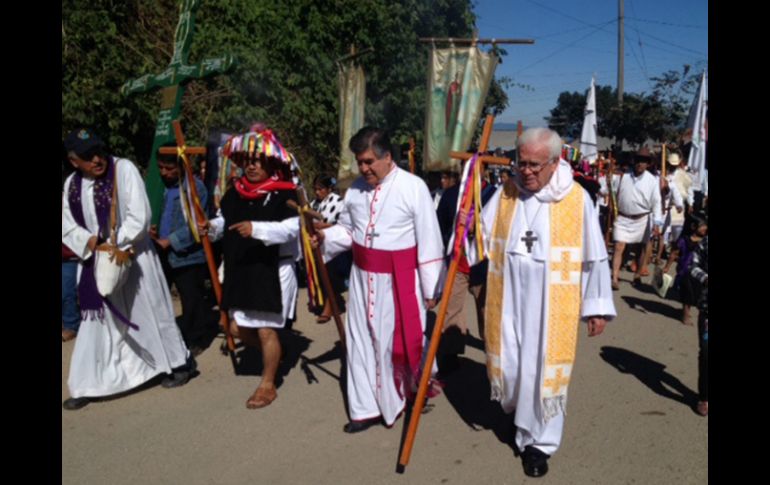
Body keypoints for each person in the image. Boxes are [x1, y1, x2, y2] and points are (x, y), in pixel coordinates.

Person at [469, 127, 616, 477]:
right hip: (508, 296)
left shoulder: (576, 198)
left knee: (543, 371)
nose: (527, 172)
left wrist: (595, 307)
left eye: (535, 165)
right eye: (522, 164)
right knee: (513, 364)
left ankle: (538, 444)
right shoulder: (506, 193)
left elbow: (594, 258)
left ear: (554, 162)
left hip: (551, 303)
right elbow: (480, 237)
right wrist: (466, 223)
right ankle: (518, 418)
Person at [312, 126, 444, 433]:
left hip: (399, 280)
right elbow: (349, 231)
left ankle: (409, 388)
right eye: (360, 162)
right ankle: (365, 408)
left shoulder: (413, 187)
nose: (364, 168)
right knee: (359, 342)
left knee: (395, 343)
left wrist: (430, 288)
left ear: (387, 157)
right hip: (361, 279)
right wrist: (325, 236)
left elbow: (429, 239)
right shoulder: (356, 190)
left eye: (370, 161)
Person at [61, 128, 195, 411]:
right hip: (94, 262)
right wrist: (90, 243)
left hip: (133, 257)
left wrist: (115, 242)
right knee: (95, 322)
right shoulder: (71, 184)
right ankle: (88, 383)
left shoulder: (123, 170)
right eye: (88, 156)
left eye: (98, 151)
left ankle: (177, 363)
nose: (97, 159)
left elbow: (140, 216)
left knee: (149, 312)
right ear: (74, 161)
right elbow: (66, 224)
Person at [200, 126, 299, 409]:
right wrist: (212, 227)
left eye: (258, 160)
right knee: (236, 327)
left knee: (266, 330)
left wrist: (255, 228)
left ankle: (268, 384)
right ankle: (277, 350)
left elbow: (291, 230)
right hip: (242, 268)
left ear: (271, 162)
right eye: (248, 160)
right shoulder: (237, 191)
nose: (252, 165)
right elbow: (224, 220)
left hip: (273, 269)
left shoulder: (286, 193)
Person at [150, 147, 218, 356]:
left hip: (188, 254)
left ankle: (197, 338)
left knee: (191, 298)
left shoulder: (195, 189)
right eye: (161, 167)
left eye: (169, 168)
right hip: (162, 251)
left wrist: (169, 241)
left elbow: (197, 224)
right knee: (159, 296)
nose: (164, 172)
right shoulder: (160, 188)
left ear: (181, 167)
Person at [610, 147, 663, 289]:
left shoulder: (652, 181)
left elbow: (657, 202)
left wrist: (657, 222)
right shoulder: (623, 176)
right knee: (619, 246)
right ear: (634, 161)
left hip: (642, 219)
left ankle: (638, 275)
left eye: (644, 161)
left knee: (641, 248)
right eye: (639, 160)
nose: (641, 164)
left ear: (648, 164)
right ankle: (614, 277)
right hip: (623, 218)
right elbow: (612, 193)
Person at [310, 174, 349, 323]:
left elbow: (345, 225)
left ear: (328, 189)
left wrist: (325, 226)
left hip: (335, 246)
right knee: (319, 276)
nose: (317, 192)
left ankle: (329, 306)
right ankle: (335, 302)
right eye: (315, 189)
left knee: (330, 276)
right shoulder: (314, 204)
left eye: (320, 189)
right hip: (317, 244)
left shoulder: (339, 202)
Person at [689, 232, 708, 417]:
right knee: (706, 353)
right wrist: (705, 278)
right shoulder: (705, 243)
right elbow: (692, 266)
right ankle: (704, 397)